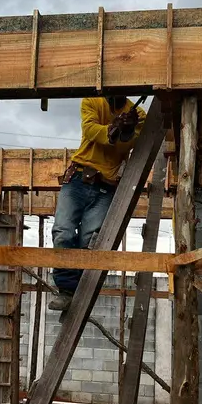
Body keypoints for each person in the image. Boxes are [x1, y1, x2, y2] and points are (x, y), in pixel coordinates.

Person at [48, 95, 147, 312]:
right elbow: (90, 130)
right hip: (78, 178)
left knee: (89, 241)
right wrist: (111, 129)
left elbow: (129, 146)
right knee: (63, 231)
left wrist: (127, 131)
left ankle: (77, 290)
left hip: (105, 187)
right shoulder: (91, 101)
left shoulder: (137, 114)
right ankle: (65, 290)